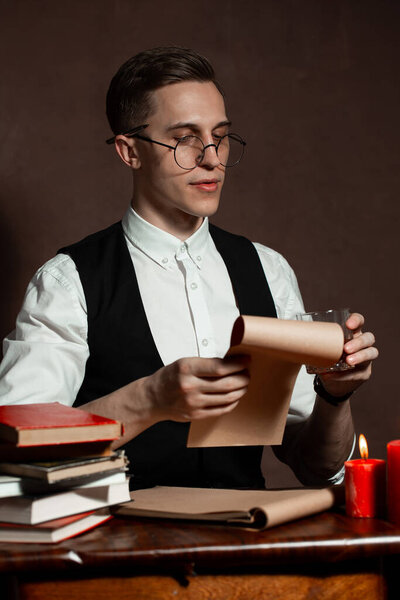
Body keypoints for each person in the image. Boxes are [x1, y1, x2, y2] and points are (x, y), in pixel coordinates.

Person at [0, 47, 378, 489]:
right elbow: (14, 451)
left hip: (245, 551)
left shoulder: (268, 270)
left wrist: (335, 397)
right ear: (130, 152)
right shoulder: (69, 282)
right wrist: (150, 398)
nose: (212, 159)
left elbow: (317, 468)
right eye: (184, 139)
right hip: (120, 553)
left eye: (219, 136)